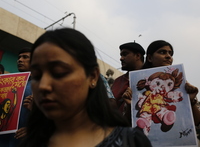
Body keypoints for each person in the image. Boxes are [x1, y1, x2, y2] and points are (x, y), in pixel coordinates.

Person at [19, 28, 152, 147]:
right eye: (36, 76)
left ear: (93, 77)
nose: (43, 86)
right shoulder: (29, 143)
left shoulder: (131, 141)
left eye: (58, 73)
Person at [142, 40, 200, 134]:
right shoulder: (137, 85)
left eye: (170, 53)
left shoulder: (180, 84)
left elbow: (197, 122)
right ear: (149, 58)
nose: (168, 56)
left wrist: (191, 101)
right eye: (162, 52)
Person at [0, 48, 33, 147]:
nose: (20, 60)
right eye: (19, 57)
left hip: (23, 140)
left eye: (25, 57)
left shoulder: (43, 85)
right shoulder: (7, 83)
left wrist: (33, 129)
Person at [111, 42, 145, 123]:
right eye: (121, 55)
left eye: (125, 54)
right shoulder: (118, 81)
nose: (121, 58)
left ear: (137, 56)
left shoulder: (152, 79)